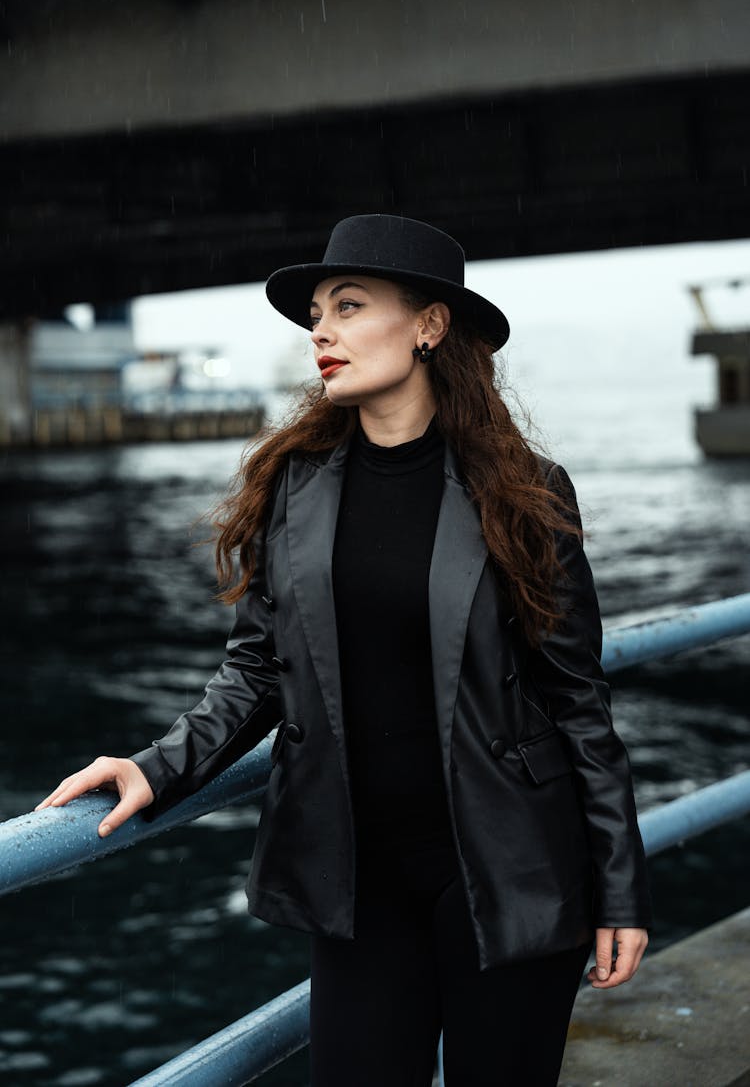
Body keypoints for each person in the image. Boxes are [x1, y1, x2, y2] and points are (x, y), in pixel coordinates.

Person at [37, 214, 651, 1086]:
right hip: (359, 880)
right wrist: (155, 767)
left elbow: (578, 700)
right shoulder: (296, 485)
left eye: (349, 305)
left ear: (430, 326)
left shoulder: (525, 491)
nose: (319, 330)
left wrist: (620, 887)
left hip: (511, 868)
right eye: (318, 311)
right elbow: (258, 667)